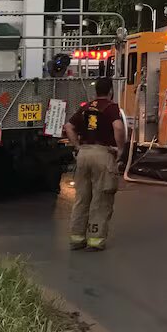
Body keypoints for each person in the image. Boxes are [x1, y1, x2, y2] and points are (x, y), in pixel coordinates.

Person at [64, 77, 127, 251]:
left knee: (82, 198)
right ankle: (95, 239)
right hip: (102, 153)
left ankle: (77, 238)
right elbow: (119, 127)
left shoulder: (86, 107)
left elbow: (68, 126)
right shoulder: (111, 108)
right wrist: (120, 149)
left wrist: (77, 146)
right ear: (110, 92)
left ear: (95, 91)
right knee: (101, 198)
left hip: (83, 153)